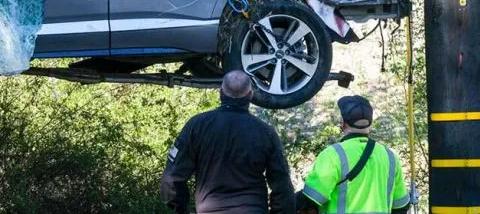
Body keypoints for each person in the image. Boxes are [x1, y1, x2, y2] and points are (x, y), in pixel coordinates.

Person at [160, 70, 295, 214]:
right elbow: (282, 185)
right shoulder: (266, 132)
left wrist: (180, 209)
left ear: (221, 92)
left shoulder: (197, 126)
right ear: (250, 95)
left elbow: (171, 178)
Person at [297, 95, 410, 214]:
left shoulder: (333, 155)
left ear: (342, 122)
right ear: (370, 124)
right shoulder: (390, 157)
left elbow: (310, 199)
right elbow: (400, 206)